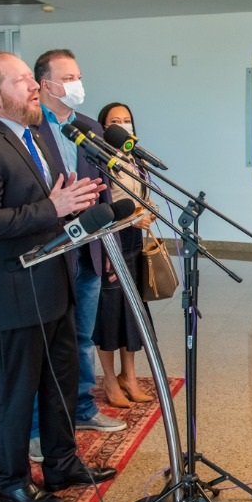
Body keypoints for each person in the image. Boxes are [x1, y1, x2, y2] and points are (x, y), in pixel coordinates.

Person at [0, 52, 117, 502]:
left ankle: (62, 463)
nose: (32, 88)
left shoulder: (33, 137)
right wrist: (56, 207)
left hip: (54, 280)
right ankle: (12, 479)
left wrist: (75, 202)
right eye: (22, 81)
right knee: (16, 391)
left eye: (31, 79)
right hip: (14, 290)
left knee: (60, 381)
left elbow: (49, 202)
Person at [28, 49, 125, 466]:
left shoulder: (88, 128)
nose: (76, 85)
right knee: (46, 345)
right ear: (44, 84)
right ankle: (36, 428)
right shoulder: (28, 129)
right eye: (67, 77)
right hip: (50, 251)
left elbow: (103, 190)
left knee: (82, 337)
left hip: (88, 248)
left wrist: (108, 249)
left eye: (79, 76)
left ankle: (82, 409)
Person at [94, 101, 158, 403]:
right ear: (103, 127)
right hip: (110, 241)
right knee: (109, 313)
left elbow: (138, 195)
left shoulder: (135, 155)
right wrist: (132, 216)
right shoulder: (98, 158)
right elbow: (101, 205)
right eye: (115, 120)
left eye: (127, 119)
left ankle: (129, 377)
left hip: (133, 241)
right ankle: (110, 381)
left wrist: (148, 209)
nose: (123, 125)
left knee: (133, 312)